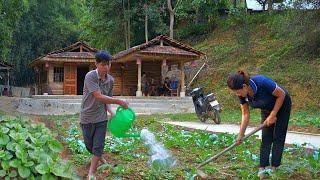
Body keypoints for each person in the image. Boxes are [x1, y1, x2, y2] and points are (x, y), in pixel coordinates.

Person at [227, 70, 291, 179]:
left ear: (244, 86)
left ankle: (275, 167)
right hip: (266, 108)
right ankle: (263, 167)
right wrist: (240, 135)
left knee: (278, 137)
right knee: (266, 137)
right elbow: (245, 114)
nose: (237, 95)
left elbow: (281, 94)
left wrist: (273, 114)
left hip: (282, 104)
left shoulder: (262, 82)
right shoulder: (242, 94)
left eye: (237, 92)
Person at [80, 50, 129, 180]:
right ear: (96, 64)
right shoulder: (90, 76)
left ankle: (91, 173)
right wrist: (119, 101)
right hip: (87, 117)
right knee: (89, 146)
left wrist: (112, 113)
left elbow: (107, 101)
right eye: (103, 64)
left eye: (108, 64)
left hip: (101, 118)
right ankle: (101, 159)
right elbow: (98, 96)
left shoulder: (110, 80)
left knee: (98, 145)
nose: (106, 67)